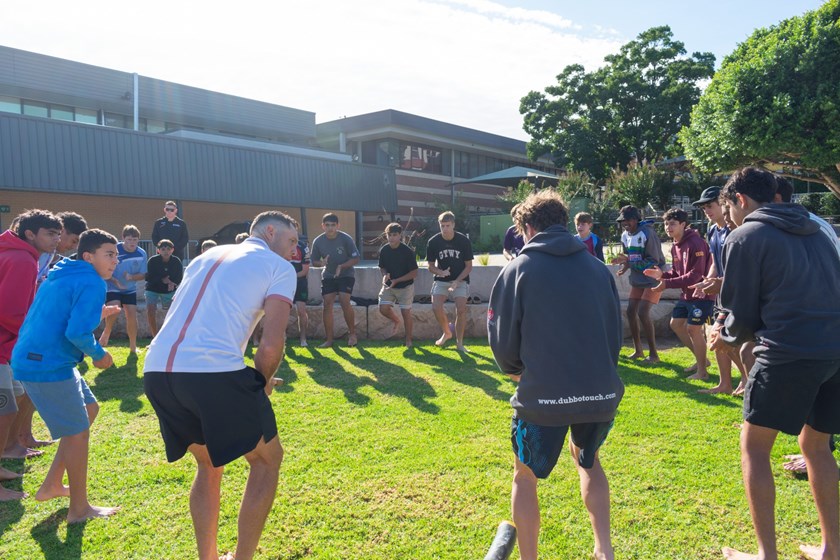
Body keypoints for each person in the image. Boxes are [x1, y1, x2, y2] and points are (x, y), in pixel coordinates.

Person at [143, 211, 299, 560]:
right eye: (291, 241)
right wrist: (259, 383)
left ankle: (208, 557)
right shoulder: (279, 268)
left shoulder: (203, 257)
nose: (294, 250)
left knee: (209, 464)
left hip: (157, 371)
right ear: (270, 232)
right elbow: (272, 343)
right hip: (212, 374)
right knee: (266, 460)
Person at [706, 167, 840, 560]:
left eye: (728, 207)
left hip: (787, 352)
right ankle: (832, 549)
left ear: (740, 200)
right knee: (816, 445)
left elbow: (741, 316)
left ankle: (767, 555)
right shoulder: (818, 231)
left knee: (754, 448)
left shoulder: (745, 235)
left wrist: (724, 336)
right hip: (836, 352)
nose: (728, 216)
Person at [488, 189, 624, 560]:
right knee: (589, 462)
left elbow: (502, 342)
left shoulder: (518, 269)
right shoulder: (598, 269)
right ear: (564, 223)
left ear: (527, 227)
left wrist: (516, 373)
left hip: (541, 397)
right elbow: (615, 336)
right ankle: (605, 550)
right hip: (599, 395)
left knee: (524, 476)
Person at [11, 229, 120, 522]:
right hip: (46, 364)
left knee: (89, 409)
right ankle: (79, 509)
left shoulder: (65, 273)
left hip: (39, 359)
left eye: (117, 255)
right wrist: (100, 355)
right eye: (109, 254)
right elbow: (76, 332)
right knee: (77, 432)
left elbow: (61, 317)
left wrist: (96, 314)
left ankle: (52, 485)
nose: (115, 261)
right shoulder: (91, 281)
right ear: (88, 256)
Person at [0, 209, 62, 500]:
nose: (56, 240)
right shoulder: (22, 259)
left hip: (7, 346)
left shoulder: (19, 254)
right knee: (5, 410)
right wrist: (36, 336)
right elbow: (11, 311)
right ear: (30, 234)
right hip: (5, 345)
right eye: (50, 234)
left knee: (13, 402)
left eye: (58, 234)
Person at [689, 187, 748, 395]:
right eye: (703, 207)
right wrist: (708, 281)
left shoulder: (736, 229)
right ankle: (725, 383)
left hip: (737, 292)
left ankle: (746, 379)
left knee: (728, 340)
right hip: (720, 293)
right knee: (716, 338)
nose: (707, 210)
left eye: (710, 206)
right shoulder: (712, 230)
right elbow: (715, 260)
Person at [643, 208, 714, 381]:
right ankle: (702, 360)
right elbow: (676, 272)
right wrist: (662, 275)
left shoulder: (695, 243)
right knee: (676, 324)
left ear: (683, 224)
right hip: (686, 295)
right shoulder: (676, 245)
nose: (668, 227)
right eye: (666, 224)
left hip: (702, 294)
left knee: (693, 329)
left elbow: (695, 275)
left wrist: (666, 284)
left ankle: (702, 372)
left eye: (672, 223)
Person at [610, 206, 666, 363]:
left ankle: (654, 354)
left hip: (653, 278)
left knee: (642, 312)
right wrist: (624, 266)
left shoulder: (648, 233)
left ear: (636, 219)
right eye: (623, 221)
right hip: (638, 279)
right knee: (630, 312)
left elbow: (653, 261)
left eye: (628, 220)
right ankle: (638, 351)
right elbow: (629, 256)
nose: (625, 223)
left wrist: (629, 262)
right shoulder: (625, 235)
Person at [310, 213, 361, 348]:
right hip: (328, 276)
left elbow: (356, 259)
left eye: (333, 225)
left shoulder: (346, 239)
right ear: (323, 226)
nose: (330, 228)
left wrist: (342, 266)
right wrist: (321, 263)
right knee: (327, 305)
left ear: (338, 226)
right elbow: (314, 261)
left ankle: (352, 335)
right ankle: (329, 340)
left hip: (346, 274)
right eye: (327, 225)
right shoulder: (318, 241)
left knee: (345, 301)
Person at [426, 211, 474, 351]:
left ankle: (459, 343)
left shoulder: (463, 240)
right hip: (442, 280)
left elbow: (469, 266)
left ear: (453, 225)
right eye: (442, 226)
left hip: (460, 280)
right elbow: (430, 266)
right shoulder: (433, 242)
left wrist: (457, 281)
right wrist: (441, 272)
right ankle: (447, 332)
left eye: (447, 225)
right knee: (436, 306)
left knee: (461, 310)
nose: (445, 229)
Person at [99, 225, 147, 354]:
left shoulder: (141, 253)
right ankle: (107, 332)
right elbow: (104, 269)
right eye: (129, 239)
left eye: (135, 240)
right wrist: (116, 281)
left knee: (131, 314)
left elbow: (143, 274)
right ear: (123, 238)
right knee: (114, 308)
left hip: (129, 288)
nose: (132, 243)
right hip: (112, 285)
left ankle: (133, 347)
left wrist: (131, 277)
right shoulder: (115, 250)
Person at [377, 223, 418, 347]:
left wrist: (398, 280)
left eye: (394, 235)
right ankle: (396, 321)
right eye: (389, 235)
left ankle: (408, 340)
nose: (391, 238)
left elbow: (414, 273)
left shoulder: (407, 251)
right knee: (383, 308)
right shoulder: (384, 250)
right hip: (389, 286)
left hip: (405, 286)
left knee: (406, 312)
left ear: (400, 235)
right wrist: (385, 275)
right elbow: (382, 267)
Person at [145, 239, 183, 339]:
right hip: (153, 288)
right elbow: (148, 277)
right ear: (158, 250)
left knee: (172, 313)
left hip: (168, 290)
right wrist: (162, 280)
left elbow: (180, 277)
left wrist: (173, 283)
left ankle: (169, 336)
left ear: (172, 250)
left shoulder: (176, 261)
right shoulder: (152, 261)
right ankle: (154, 337)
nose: (166, 251)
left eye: (168, 249)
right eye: (163, 249)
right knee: (151, 310)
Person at [37, 211, 87, 286]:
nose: (74, 247)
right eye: (74, 241)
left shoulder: (51, 253)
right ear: (62, 231)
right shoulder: (41, 250)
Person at [288, 234, 311, 347]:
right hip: (284, 283)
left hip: (300, 282)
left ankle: (303, 338)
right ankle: (283, 336)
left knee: (301, 311)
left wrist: (290, 276)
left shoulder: (303, 247)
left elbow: (304, 271)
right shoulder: (281, 244)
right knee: (283, 311)